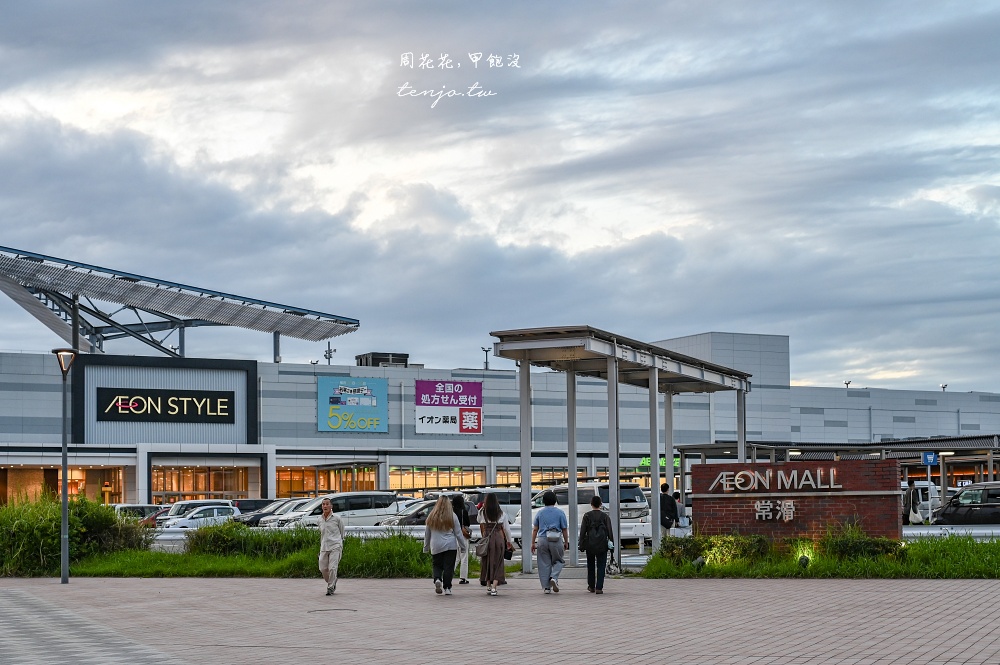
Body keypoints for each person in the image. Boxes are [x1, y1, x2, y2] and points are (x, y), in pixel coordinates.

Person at [423, 495, 466, 595]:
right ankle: (447, 588)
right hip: (450, 545)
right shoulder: (452, 516)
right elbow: (458, 533)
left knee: (437, 565)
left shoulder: (431, 516)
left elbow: (427, 533)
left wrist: (426, 547)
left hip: (436, 545)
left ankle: (437, 579)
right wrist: (463, 547)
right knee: (448, 567)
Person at [531, 490, 568, 594]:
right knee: (559, 560)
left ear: (543, 501)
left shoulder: (540, 512)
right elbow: (564, 529)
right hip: (556, 539)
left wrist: (533, 542)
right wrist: (566, 542)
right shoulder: (560, 513)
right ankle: (554, 577)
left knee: (544, 563)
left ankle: (547, 588)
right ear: (555, 500)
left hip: (542, 539)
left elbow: (535, 529)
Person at [477, 492, 514, 596]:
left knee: (487, 561)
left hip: (486, 537)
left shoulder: (482, 512)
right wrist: (509, 541)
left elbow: (479, 521)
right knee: (498, 562)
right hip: (498, 538)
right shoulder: (501, 513)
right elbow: (506, 529)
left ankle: (488, 585)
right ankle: (494, 587)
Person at [579, 495, 614, 594]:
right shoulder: (605, 516)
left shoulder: (586, 516)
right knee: (601, 565)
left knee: (590, 565)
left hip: (590, 544)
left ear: (591, 504)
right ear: (600, 504)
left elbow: (582, 531)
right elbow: (610, 531)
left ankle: (591, 586)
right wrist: (612, 544)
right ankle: (599, 587)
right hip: (602, 544)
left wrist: (581, 544)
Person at [318, 497, 345, 596]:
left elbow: (342, 532)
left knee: (333, 568)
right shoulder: (319, 519)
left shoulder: (337, 518)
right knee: (323, 568)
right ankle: (333, 580)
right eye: (323, 504)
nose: (325, 506)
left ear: (331, 506)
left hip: (335, 545)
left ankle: (330, 588)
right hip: (324, 547)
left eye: (327, 504)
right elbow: (322, 534)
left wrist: (340, 544)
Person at [451, 494, 471, 584]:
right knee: (464, 557)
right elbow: (468, 523)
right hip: (462, 536)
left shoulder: (451, 512)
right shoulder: (464, 511)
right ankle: (463, 578)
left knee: (455, 558)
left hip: (453, 536)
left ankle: (449, 574)